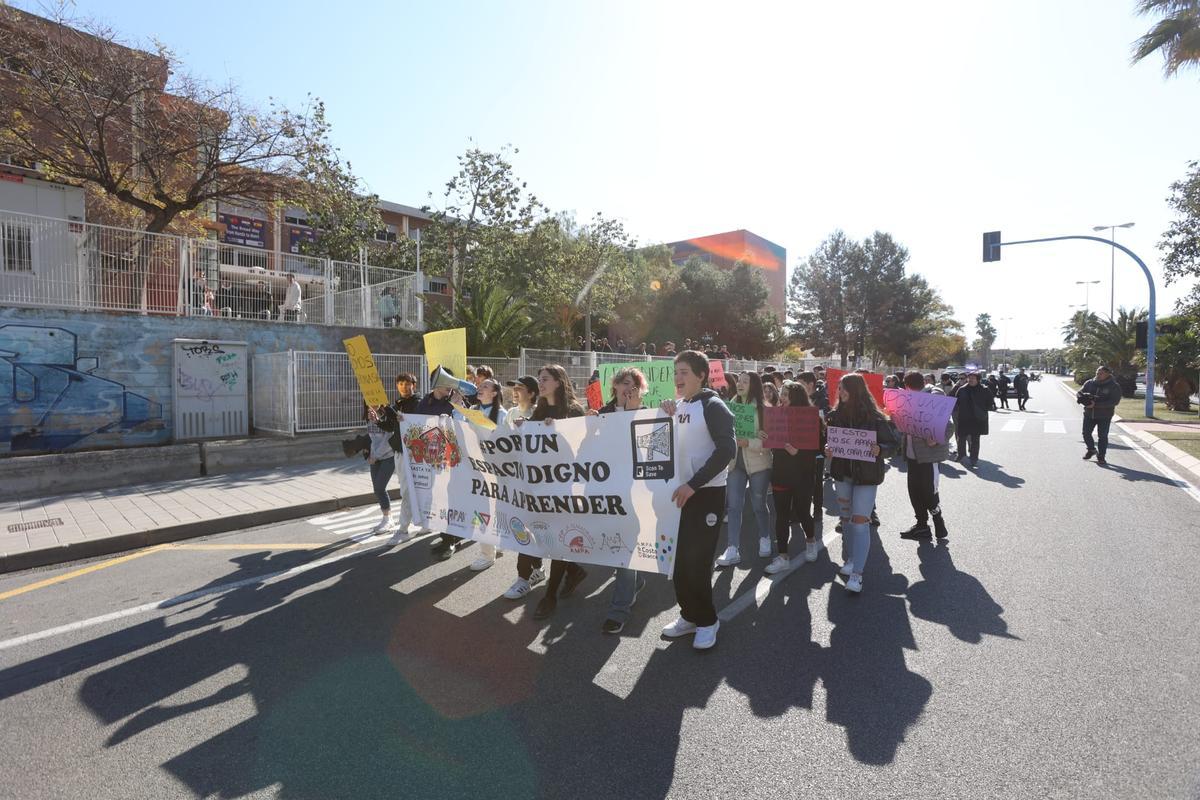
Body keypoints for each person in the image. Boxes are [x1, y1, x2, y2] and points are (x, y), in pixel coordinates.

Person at [660, 350, 736, 650]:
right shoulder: (676, 406)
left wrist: (694, 484)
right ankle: (689, 615)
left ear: (701, 375)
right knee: (679, 561)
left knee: (698, 560)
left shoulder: (714, 406)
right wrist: (663, 411)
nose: (678, 378)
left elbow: (726, 451)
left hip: (705, 494)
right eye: (676, 372)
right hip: (678, 494)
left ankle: (707, 621)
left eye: (684, 372)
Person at [510, 366, 588, 618]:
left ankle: (550, 596)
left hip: (565, 486)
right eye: (540, 379)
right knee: (540, 531)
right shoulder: (540, 410)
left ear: (558, 382)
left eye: (545, 379)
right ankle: (573, 571)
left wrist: (558, 429)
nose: (540, 383)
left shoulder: (574, 410)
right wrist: (525, 428)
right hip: (541, 485)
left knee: (560, 539)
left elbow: (581, 448)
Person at [824, 373, 898, 594]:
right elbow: (828, 441)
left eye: (845, 388)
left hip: (866, 477)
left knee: (859, 522)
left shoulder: (876, 418)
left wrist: (880, 450)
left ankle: (857, 575)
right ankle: (851, 560)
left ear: (856, 390)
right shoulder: (834, 416)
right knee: (846, 520)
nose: (841, 392)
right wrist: (827, 449)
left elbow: (894, 443)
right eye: (839, 388)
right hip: (842, 474)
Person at [590, 367, 651, 633]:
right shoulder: (602, 414)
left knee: (623, 549)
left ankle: (619, 610)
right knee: (614, 546)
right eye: (623, 383)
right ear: (613, 386)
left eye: (633, 385)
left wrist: (632, 413)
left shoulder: (647, 414)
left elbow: (648, 451)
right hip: (607, 489)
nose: (627, 389)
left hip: (635, 491)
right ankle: (635, 583)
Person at [765, 382, 825, 574]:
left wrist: (798, 451)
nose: (781, 397)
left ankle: (810, 541)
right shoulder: (776, 415)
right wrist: (764, 435)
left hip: (803, 475)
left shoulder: (810, 418)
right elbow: (770, 442)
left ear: (796, 397)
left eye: (786, 394)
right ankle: (782, 556)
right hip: (781, 473)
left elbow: (820, 446)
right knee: (781, 515)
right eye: (781, 393)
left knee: (803, 512)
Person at [715, 372, 774, 567]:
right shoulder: (729, 406)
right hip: (734, 464)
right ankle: (732, 548)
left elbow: (769, 440)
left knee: (758, 504)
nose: (740, 384)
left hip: (758, 463)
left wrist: (749, 442)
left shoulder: (764, 409)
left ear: (753, 385)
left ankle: (765, 537)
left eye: (745, 381)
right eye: (739, 381)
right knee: (733, 506)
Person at [457, 378, 508, 571]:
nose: (480, 388)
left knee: (495, 511)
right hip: (475, 470)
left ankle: (492, 549)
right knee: (480, 510)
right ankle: (488, 551)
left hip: (495, 471)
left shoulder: (502, 415)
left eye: (485, 386)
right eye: (480, 386)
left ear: (494, 393)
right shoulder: (473, 412)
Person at [898, 372, 952, 541]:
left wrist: (935, 439)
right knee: (914, 492)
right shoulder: (907, 400)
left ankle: (938, 521)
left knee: (929, 493)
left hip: (927, 457)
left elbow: (949, 427)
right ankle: (921, 526)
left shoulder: (932, 397)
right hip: (912, 456)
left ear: (907, 386)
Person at [418, 369, 463, 559]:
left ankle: (451, 540)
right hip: (433, 458)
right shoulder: (425, 402)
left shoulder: (455, 400)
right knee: (438, 500)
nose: (450, 386)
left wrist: (460, 407)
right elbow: (417, 424)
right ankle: (447, 537)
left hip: (452, 460)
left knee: (450, 500)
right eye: (447, 381)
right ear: (436, 384)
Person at [385, 372, 422, 540]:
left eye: (407, 383)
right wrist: (378, 418)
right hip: (399, 452)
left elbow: (415, 423)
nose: (404, 387)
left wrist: (401, 417)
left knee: (407, 491)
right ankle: (425, 523)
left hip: (413, 453)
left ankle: (403, 529)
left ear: (414, 385)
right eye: (400, 383)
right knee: (408, 489)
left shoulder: (418, 403)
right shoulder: (398, 403)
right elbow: (391, 426)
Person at [363, 402, 401, 535]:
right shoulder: (369, 416)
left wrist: (376, 456)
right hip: (375, 457)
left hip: (388, 457)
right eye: (369, 401)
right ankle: (387, 518)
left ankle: (388, 520)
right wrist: (368, 454)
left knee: (380, 487)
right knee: (377, 489)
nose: (373, 404)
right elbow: (371, 438)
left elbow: (388, 440)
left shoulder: (387, 416)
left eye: (375, 400)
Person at [1078, 365, 1122, 465]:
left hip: (1104, 416)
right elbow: (1080, 393)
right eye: (1097, 372)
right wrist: (1084, 400)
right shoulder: (1089, 383)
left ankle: (1101, 456)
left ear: (1108, 374)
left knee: (1102, 436)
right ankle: (1091, 449)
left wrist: (1096, 405)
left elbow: (1114, 401)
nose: (1098, 374)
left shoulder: (1114, 386)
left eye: (1101, 373)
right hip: (1089, 414)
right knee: (1086, 433)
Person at [949, 371, 993, 467]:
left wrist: (982, 410)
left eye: (973, 378)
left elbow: (990, 403)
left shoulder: (984, 390)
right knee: (961, 437)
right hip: (964, 418)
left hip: (977, 420)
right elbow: (955, 401)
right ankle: (961, 455)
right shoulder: (962, 389)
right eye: (969, 378)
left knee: (975, 440)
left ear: (978, 379)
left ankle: (974, 457)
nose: (971, 380)